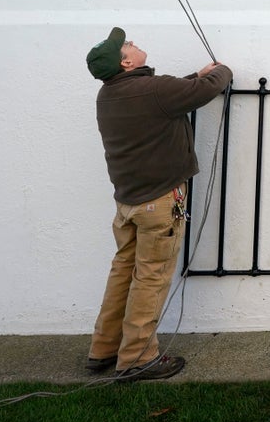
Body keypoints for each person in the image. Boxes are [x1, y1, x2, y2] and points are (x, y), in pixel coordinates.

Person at [83, 27, 233, 382]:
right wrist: (220, 71)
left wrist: (192, 76)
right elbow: (208, 89)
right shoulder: (153, 90)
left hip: (127, 206)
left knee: (123, 272)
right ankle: (136, 358)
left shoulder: (109, 95)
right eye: (127, 44)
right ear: (127, 61)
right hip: (159, 203)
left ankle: (103, 349)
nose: (132, 42)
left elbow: (161, 97)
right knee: (150, 278)